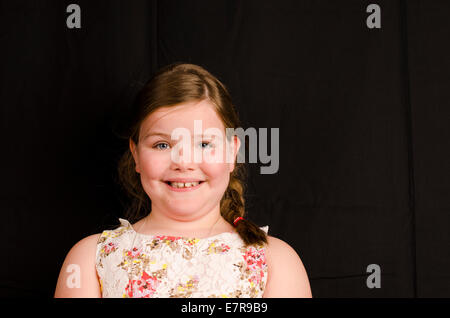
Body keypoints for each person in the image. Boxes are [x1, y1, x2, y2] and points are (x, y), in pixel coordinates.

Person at [54, 63, 312, 298]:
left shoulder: (275, 261)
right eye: (162, 144)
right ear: (136, 155)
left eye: (203, 143)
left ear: (232, 152)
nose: (183, 162)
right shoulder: (90, 259)